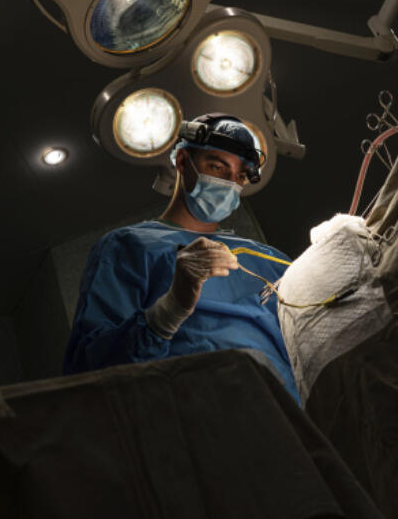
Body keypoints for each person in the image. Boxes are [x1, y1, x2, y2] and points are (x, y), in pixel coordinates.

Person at [63, 113, 299, 400]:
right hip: (194, 421)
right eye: (218, 166)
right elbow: (88, 371)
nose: (230, 182)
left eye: (239, 175)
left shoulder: (268, 258)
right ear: (183, 161)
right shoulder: (130, 246)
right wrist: (169, 309)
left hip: (286, 418)